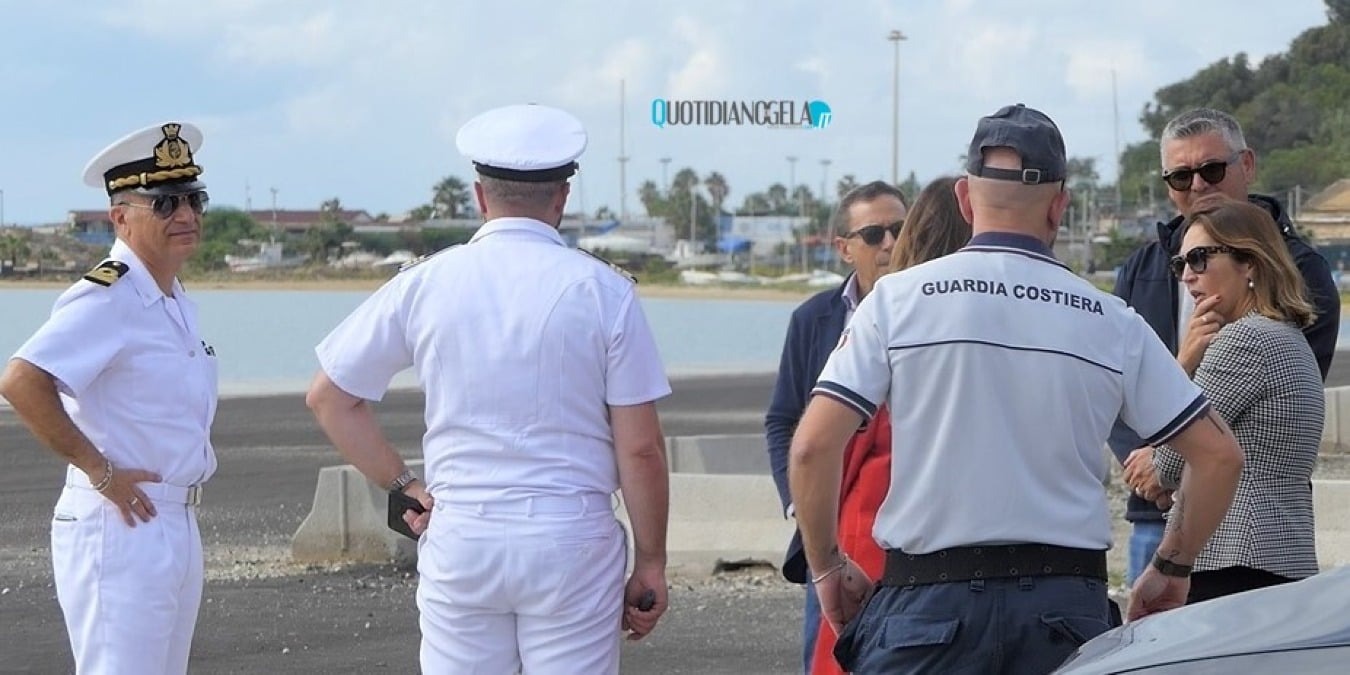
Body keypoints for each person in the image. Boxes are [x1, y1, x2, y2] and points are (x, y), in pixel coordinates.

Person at [789, 103, 1245, 674]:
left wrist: (828, 565)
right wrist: (1172, 566)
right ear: (1060, 205)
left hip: (924, 610)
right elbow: (1219, 455)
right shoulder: (1110, 319)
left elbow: (811, 447)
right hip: (1063, 612)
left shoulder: (896, 302)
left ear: (964, 197)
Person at [305, 103, 671, 674]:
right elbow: (641, 448)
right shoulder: (604, 292)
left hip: (464, 532)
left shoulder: (427, 283)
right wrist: (651, 561)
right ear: (561, 197)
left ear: (480, 196)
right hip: (569, 538)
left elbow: (330, 397)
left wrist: (402, 483)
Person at [0, 122, 217, 673]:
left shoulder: (171, 298)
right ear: (121, 217)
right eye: (165, 203)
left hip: (174, 521)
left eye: (194, 199)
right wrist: (100, 472)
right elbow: (22, 379)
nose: (186, 215)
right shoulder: (108, 296)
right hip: (119, 525)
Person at [1109, 107, 1339, 586]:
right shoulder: (1142, 268)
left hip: (1229, 546)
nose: (1197, 185)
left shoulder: (1251, 333)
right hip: (1244, 541)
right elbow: (1114, 385)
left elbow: (1182, 452)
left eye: (1212, 169)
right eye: (1180, 175)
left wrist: (1182, 367)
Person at [1124, 194, 1323, 604]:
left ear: (1249, 262)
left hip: (1233, 557)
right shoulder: (1288, 336)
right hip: (1286, 557)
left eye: (1199, 259)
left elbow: (1176, 456)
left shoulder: (1243, 338)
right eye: (1180, 265)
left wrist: (1155, 466)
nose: (1186, 277)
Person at [809, 175, 969, 675]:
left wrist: (823, 560)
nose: (888, 243)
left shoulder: (890, 314)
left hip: (880, 551)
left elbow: (817, 449)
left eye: (897, 230)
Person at [765, 180, 907, 672]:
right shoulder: (813, 320)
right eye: (873, 234)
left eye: (899, 229)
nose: (889, 243)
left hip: (914, 534)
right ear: (845, 248)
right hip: (832, 536)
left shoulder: (932, 312)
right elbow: (783, 421)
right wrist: (800, 506)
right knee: (828, 658)